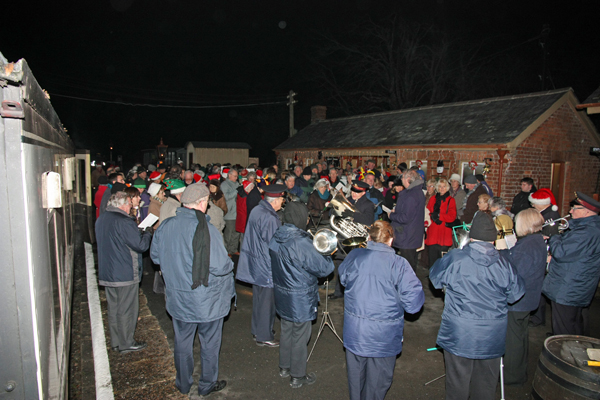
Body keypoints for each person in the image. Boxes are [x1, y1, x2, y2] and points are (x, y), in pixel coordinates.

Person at [150, 183, 234, 397]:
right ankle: (206, 384)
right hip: (207, 301)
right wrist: (230, 262)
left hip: (178, 297)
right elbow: (220, 266)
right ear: (203, 203)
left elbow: (155, 257)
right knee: (209, 345)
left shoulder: (166, 225)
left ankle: (183, 383)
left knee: (183, 343)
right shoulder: (207, 230)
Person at [429, 212, 524, 400]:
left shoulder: (456, 257)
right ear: (494, 238)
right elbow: (515, 295)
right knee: (486, 384)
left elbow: (435, 279)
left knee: (457, 383)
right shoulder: (505, 263)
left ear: (471, 235)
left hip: (460, 332)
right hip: (492, 333)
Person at [340, 221, 425, 400]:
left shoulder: (355, 255)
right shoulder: (399, 264)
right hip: (384, 338)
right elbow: (413, 305)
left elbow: (343, 279)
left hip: (356, 333)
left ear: (369, 237)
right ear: (391, 240)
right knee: (377, 385)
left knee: (356, 382)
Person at [269, 202, 335, 388]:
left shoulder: (277, 236)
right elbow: (325, 268)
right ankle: (297, 376)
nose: (307, 220)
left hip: (282, 293)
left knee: (287, 330)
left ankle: (284, 367)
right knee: (300, 335)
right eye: (305, 216)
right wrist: (327, 252)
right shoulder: (300, 242)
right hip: (300, 296)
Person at [96, 191, 153, 354]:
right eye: (130, 204)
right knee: (127, 309)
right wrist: (147, 234)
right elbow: (140, 246)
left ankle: (116, 341)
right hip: (124, 272)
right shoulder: (125, 221)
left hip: (108, 272)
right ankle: (127, 342)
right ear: (122, 205)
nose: (132, 207)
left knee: (114, 308)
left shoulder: (102, 219)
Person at [542, 192, 600, 336]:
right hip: (576, 283)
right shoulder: (587, 228)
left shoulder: (586, 232)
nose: (570, 211)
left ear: (586, 211)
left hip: (569, 287)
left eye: (575, 208)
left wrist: (554, 235)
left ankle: (563, 353)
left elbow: (561, 253)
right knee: (573, 322)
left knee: (565, 326)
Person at [236, 184, 286, 347]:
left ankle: (257, 329)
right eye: (282, 199)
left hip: (256, 262)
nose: (283, 201)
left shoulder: (258, 209)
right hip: (266, 265)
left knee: (258, 299)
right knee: (267, 302)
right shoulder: (271, 217)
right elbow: (274, 244)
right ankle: (264, 335)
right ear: (276, 200)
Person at [502, 208, 547, 385]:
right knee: (520, 334)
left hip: (519, 300)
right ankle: (519, 370)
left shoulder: (528, 245)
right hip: (528, 298)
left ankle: (512, 376)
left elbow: (515, 271)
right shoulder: (535, 240)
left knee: (513, 338)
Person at [527, 188, 561, 327]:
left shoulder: (549, 216)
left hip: (544, 255)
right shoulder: (545, 213)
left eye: (534, 203)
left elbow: (550, 236)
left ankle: (538, 318)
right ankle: (537, 316)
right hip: (541, 252)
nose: (532, 205)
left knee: (539, 286)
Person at [389, 169, 425, 270]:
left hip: (407, 236)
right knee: (410, 263)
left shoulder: (411, 195)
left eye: (402, 177)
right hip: (411, 235)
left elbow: (405, 217)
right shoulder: (418, 192)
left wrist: (391, 215)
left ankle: (409, 285)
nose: (401, 180)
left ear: (408, 179)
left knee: (407, 267)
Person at [425, 179, 456, 267]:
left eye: (444, 186)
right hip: (433, 233)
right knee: (432, 261)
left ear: (447, 188)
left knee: (442, 263)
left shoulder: (451, 200)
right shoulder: (433, 199)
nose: (442, 189)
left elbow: (452, 217)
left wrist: (439, 216)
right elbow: (427, 212)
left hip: (444, 234)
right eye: (440, 186)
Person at [221, 169, 241, 256]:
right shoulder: (224, 185)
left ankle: (234, 249)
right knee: (228, 233)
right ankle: (226, 250)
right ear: (229, 175)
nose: (236, 178)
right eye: (235, 176)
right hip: (229, 213)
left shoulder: (237, 184)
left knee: (236, 232)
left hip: (238, 212)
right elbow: (226, 197)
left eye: (237, 176)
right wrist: (237, 191)